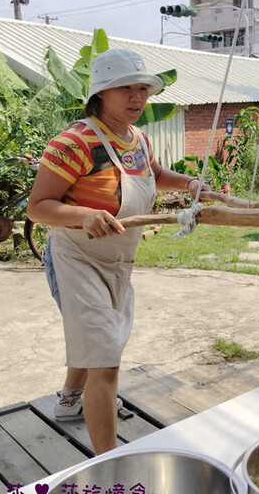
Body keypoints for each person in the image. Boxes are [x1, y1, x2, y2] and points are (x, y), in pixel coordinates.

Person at [27, 49, 210, 455]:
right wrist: (83, 215)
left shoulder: (138, 139)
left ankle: (70, 401)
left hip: (118, 261)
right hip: (76, 259)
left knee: (98, 341)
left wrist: (190, 184)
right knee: (105, 356)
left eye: (142, 89)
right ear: (101, 93)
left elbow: (154, 175)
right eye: (126, 88)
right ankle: (108, 464)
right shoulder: (73, 142)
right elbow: (37, 207)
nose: (137, 97)